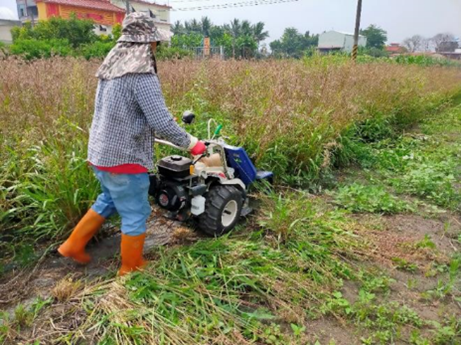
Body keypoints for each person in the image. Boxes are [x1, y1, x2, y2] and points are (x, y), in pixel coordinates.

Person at [57, 12, 206, 276]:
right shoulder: (141, 74)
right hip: (124, 160)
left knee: (109, 199)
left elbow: (122, 112)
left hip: (100, 155)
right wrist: (192, 143)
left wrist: (155, 120)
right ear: (149, 43)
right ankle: (131, 266)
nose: (156, 48)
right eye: (155, 43)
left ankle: (72, 245)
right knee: (136, 212)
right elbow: (160, 122)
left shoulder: (111, 71)